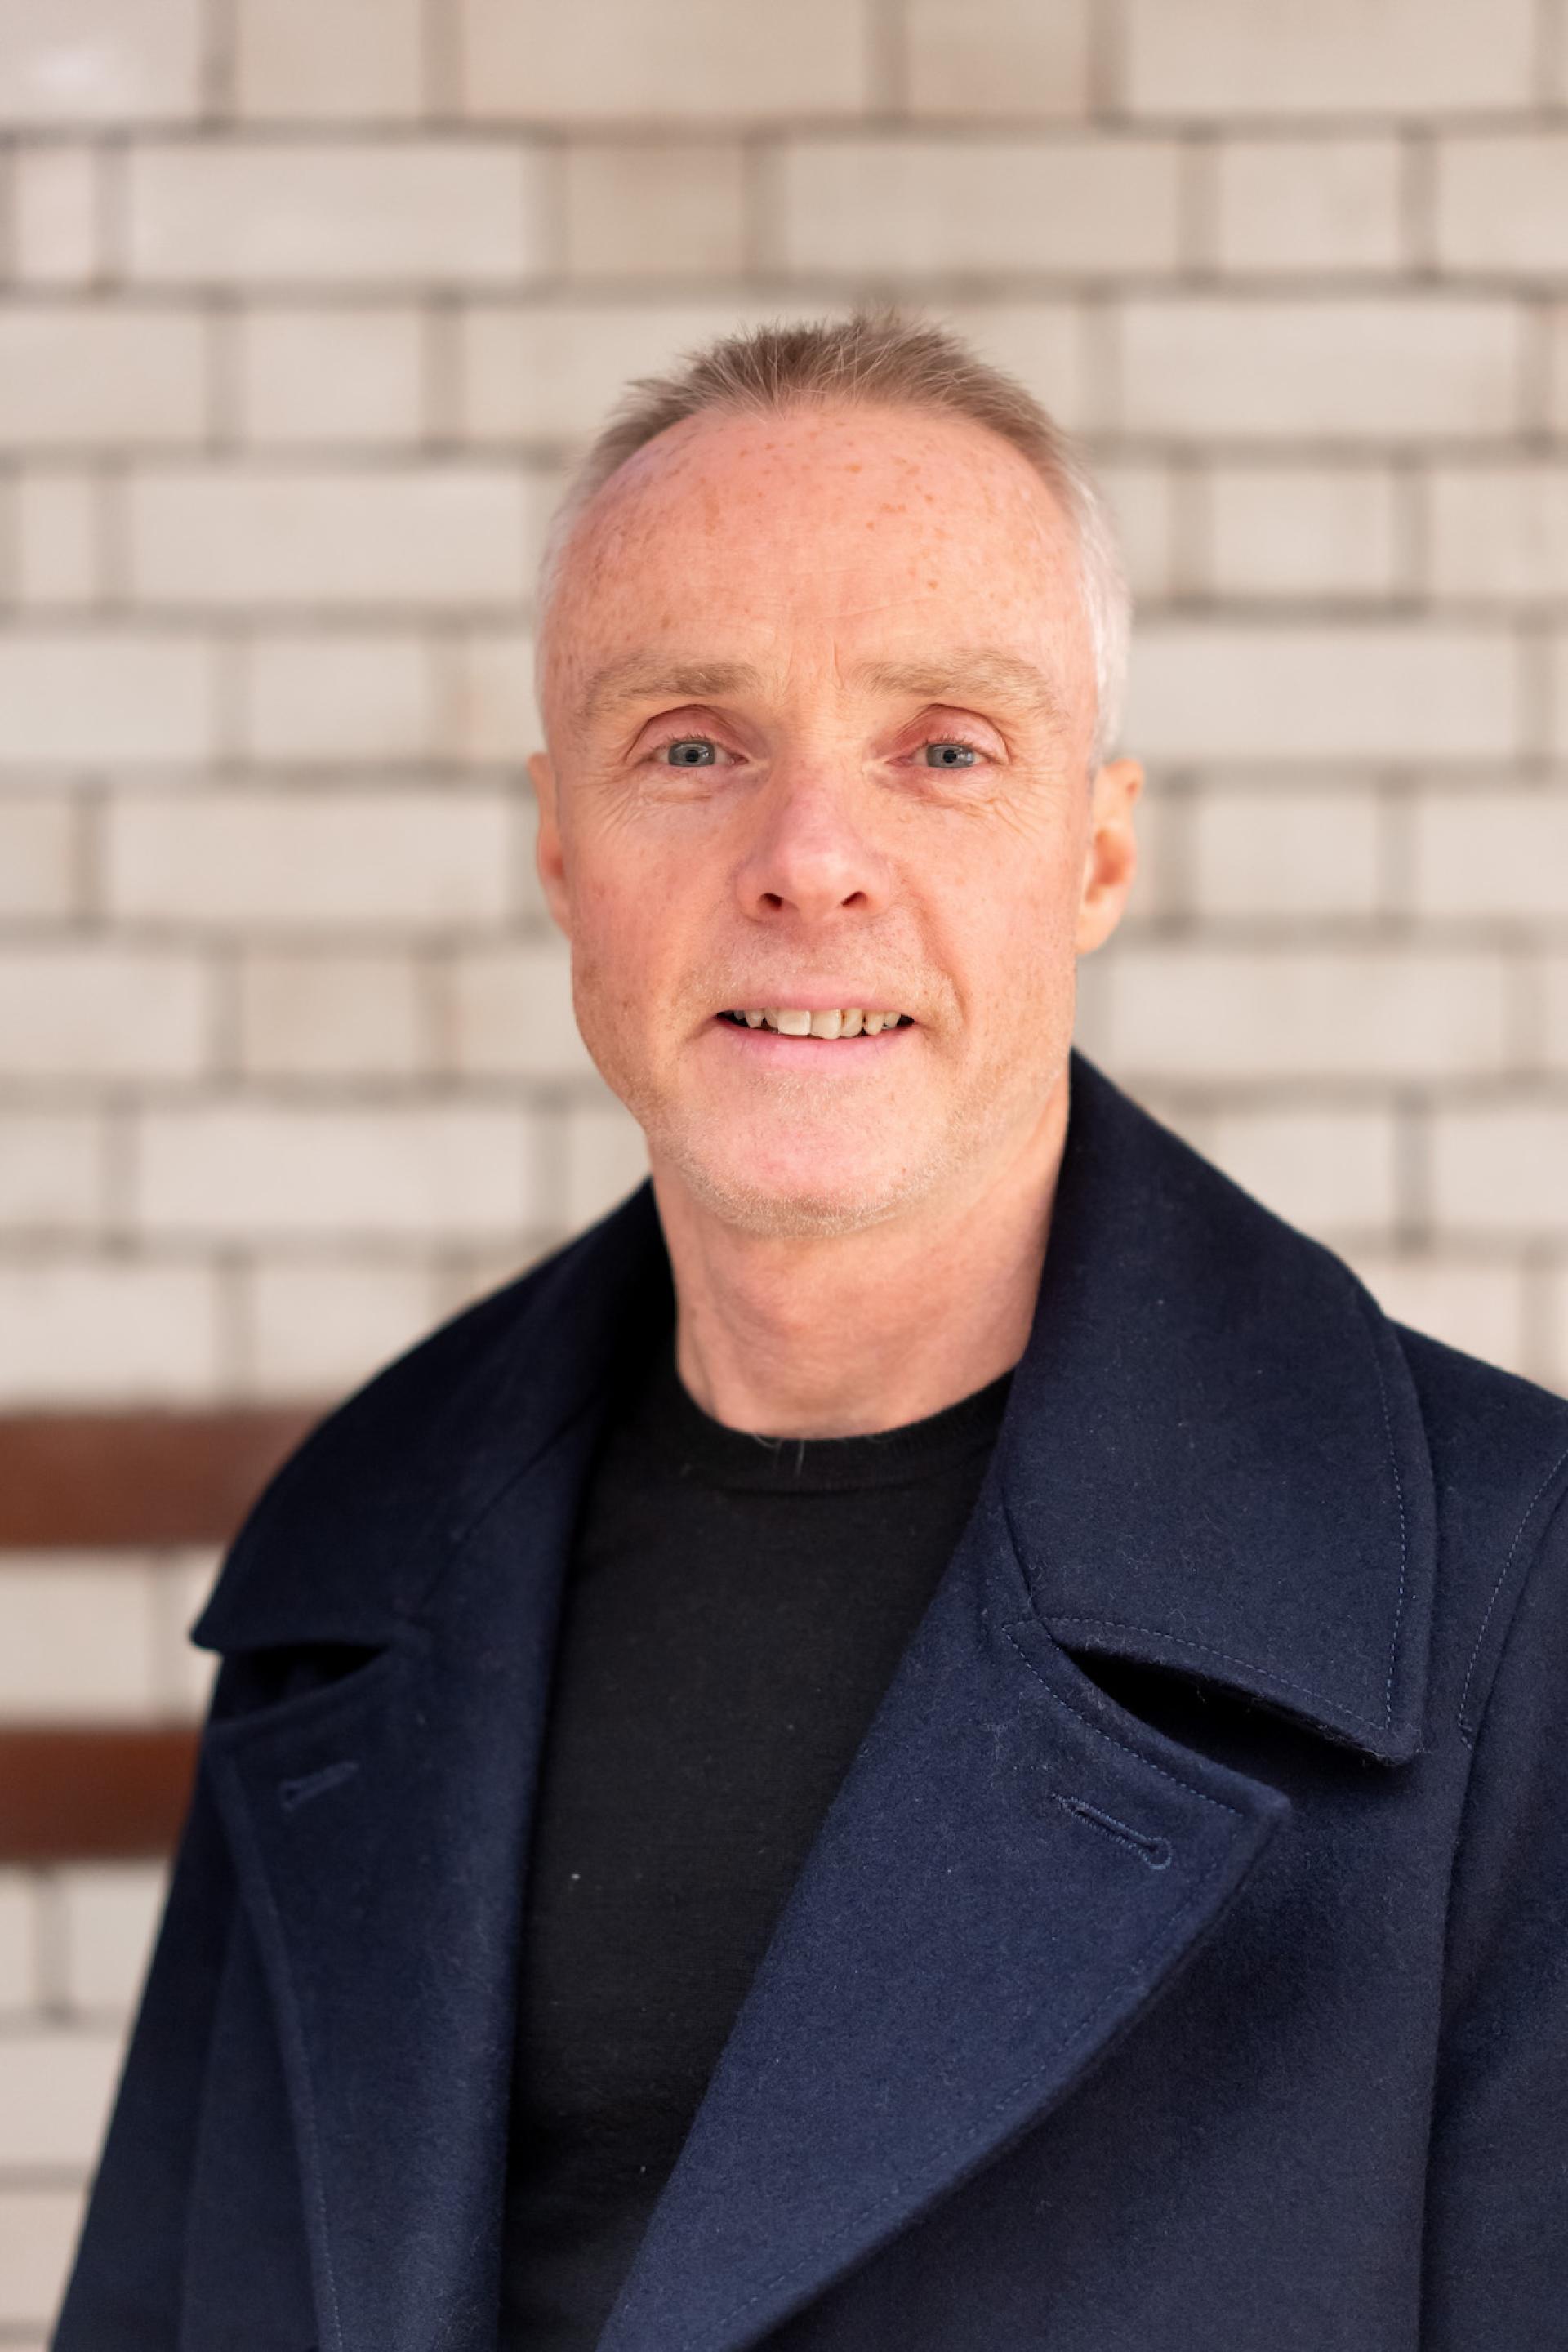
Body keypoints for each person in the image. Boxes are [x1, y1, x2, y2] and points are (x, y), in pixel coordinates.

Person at [57, 311, 1568, 2352]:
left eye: (945, 748)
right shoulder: (355, 1557)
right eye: (693, 744)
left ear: (1096, 849)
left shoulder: (1510, 1599)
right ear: (561, 851)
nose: (810, 865)